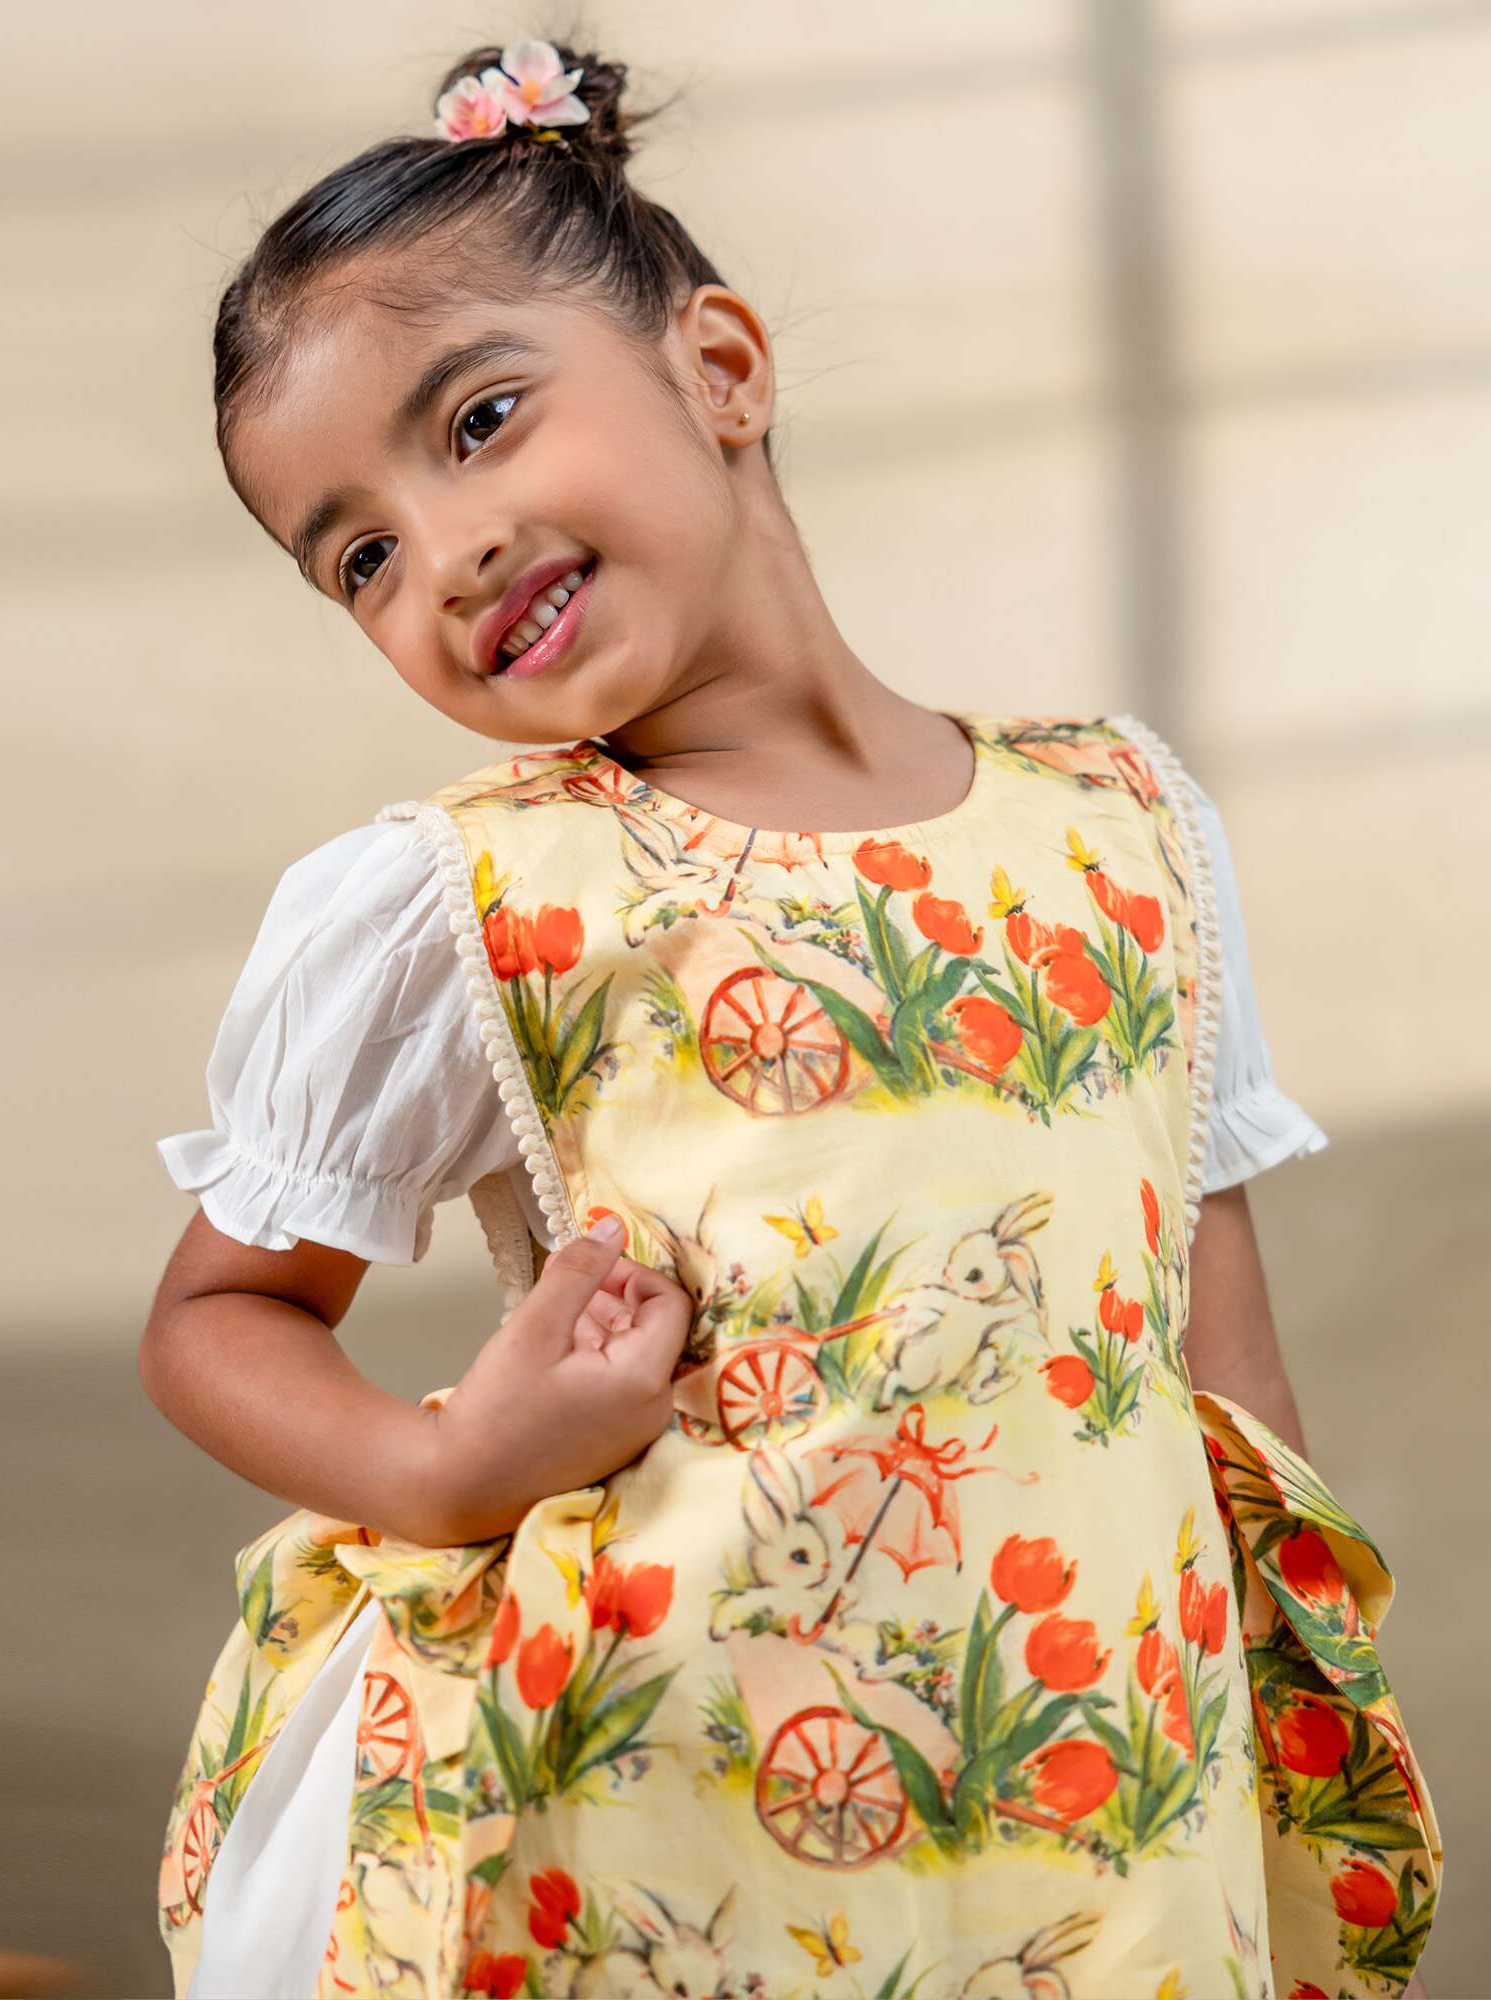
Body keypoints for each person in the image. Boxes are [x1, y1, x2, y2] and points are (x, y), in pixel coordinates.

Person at [140, 32, 1442, 2000]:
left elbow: (1225, 1387)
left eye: (477, 420)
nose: (447, 549)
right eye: (363, 557)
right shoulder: (459, 898)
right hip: (648, 1818)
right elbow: (217, 1311)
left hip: (1083, 1824)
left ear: (720, 372)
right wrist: (439, 1469)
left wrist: (1250, 1769)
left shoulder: (1123, 831)